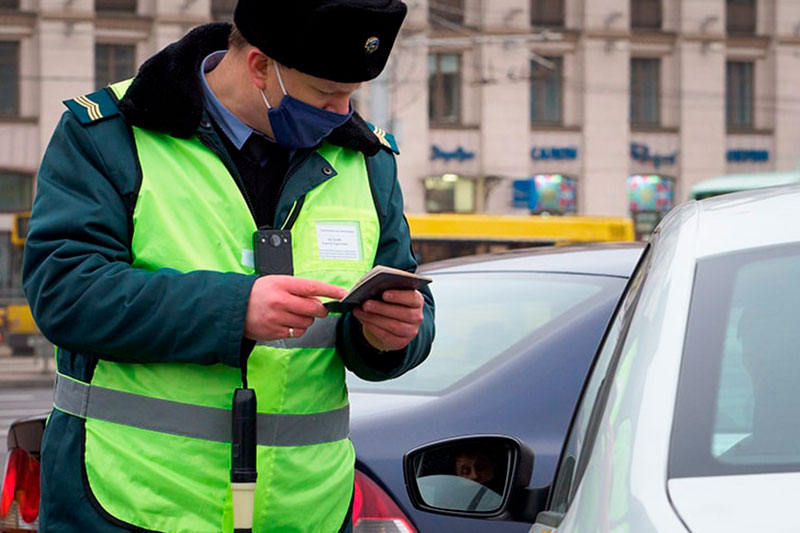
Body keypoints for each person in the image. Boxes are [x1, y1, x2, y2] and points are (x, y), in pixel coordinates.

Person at [22, 1, 434, 531]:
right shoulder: (109, 133)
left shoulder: (368, 159)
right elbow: (66, 292)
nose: (342, 114)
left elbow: (410, 304)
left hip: (306, 510)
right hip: (133, 503)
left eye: (350, 95)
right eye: (324, 94)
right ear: (259, 66)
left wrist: (394, 336)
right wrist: (234, 308)